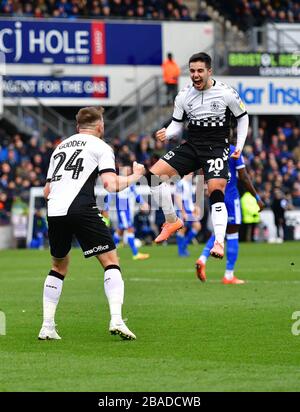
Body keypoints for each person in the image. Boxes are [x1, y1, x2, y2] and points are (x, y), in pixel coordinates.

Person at [38, 106, 145, 341]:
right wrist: (137, 175)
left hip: (54, 209)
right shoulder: (101, 146)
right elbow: (111, 184)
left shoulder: (59, 148)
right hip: (80, 207)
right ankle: (116, 320)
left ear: (77, 127)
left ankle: (47, 326)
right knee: (110, 261)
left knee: (58, 266)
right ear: (100, 126)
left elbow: (47, 191)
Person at [145, 52, 249, 260]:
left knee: (215, 191)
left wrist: (239, 146)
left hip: (217, 147)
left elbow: (242, 118)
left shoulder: (226, 93)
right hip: (192, 146)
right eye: (192, 71)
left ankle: (219, 241)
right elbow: (177, 125)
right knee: (153, 176)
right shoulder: (183, 95)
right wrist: (167, 133)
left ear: (209, 71)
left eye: (200, 71)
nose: (195, 75)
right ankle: (172, 220)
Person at [195, 144, 264, 284]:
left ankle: (202, 258)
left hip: (215, 195)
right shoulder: (234, 150)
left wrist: (198, 200)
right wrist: (257, 198)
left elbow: (201, 175)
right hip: (231, 197)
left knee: (220, 231)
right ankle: (229, 275)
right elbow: (243, 176)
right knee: (232, 234)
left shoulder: (210, 148)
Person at [105, 167, 150, 260]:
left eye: (129, 170)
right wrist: (106, 208)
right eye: (127, 170)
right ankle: (135, 253)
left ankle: (113, 254)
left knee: (120, 231)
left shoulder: (130, 182)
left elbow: (136, 194)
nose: (129, 171)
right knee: (130, 229)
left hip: (127, 209)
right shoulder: (118, 182)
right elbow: (110, 194)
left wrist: (143, 203)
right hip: (122, 209)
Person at [174, 173, 201, 257]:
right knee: (183, 229)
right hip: (183, 210)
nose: (192, 174)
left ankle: (183, 246)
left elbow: (189, 199)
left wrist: (195, 208)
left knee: (197, 226)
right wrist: (183, 212)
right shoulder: (180, 183)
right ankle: (181, 251)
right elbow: (177, 198)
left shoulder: (189, 183)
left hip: (189, 210)